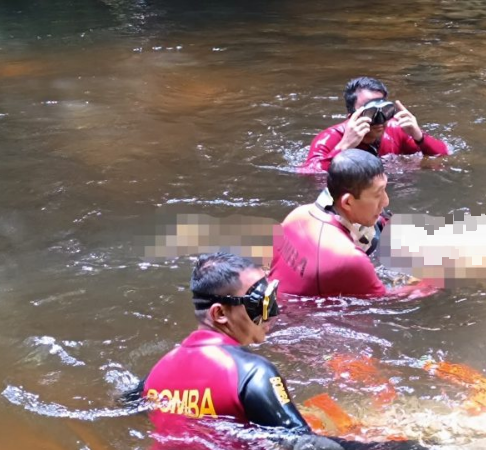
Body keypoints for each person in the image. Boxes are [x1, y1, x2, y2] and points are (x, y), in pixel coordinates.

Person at [129, 252, 419, 449]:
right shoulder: (252, 374)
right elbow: (304, 444)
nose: (273, 314)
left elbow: (128, 405)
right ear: (219, 314)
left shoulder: (156, 375)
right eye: (260, 303)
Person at [272, 149, 438, 298]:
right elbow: (387, 302)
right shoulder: (350, 259)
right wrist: (430, 280)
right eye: (378, 194)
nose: (386, 201)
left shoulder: (299, 214)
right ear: (348, 202)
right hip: (301, 320)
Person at [302, 77, 450, 172]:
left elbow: (442, 156)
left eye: (384, 110)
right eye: (371, 112)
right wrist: (344, 147)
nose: (380, 119)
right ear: (351, 116)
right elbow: (310, 175)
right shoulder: (331, 138)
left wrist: (419, 136)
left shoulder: (396, 129)